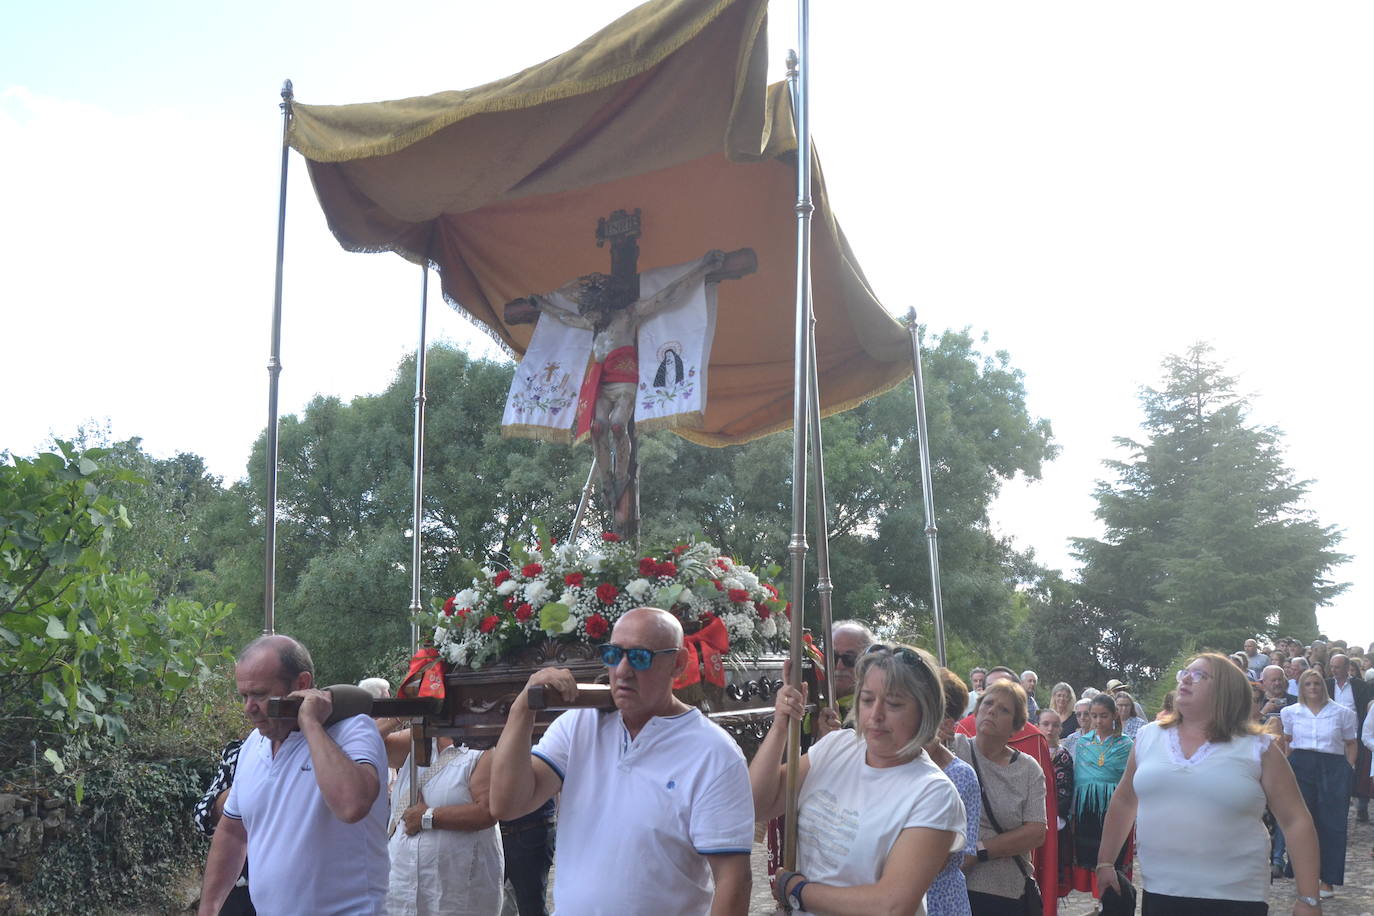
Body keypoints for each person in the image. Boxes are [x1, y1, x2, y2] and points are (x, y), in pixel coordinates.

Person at [488, 607, 752, 916]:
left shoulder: (713, 753)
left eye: (640, 657)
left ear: (678, 663)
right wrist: (523, 708)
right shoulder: (579, 725)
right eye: (614, 654)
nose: (623, 670)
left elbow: (734, 878)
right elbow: (506, 804)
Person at [1097, 653, 1322, 915]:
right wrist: (1105, 862)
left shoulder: (1257, 748)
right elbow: (1125, 800)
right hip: (1161, 891)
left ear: (1226, 691)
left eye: (1200, 676)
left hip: (1236, 896)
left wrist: (1309, 899)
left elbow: (1296, 820)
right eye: (1185, 673)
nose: (1185, 680)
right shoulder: (1149, 737)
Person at [751, 643, 965, 915]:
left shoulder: (934, 793)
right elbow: (758, 804)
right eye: (867, 700)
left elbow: (892, 905)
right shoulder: (837, 746)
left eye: (894, 704)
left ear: (925, 711)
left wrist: (798, 891)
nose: (876, 715)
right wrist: (781, 723)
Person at [198, 635, 389, 916]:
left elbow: (352, 805)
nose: (248, 708)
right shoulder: (253, 744)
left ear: (301, 685)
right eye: (244, 696)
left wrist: (310, 722)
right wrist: (208, 910)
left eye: (260, 695)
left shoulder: (353, 731)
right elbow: (232, 832)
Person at [384, 727, 502, 916]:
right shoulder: (416, 739)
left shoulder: (483, 748)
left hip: (456, 894)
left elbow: (487, 811)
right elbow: (370, 740)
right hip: (402, 890)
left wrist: (428, 817)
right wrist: (398, 713)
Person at [954, 680, 1047, 916]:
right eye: (988, 703)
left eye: (1004, 709)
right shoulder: (952, 749)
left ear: (1015, 727)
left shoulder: (1028, 769)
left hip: (1004, 893)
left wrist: (978, 851)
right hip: (952, 886)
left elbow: (1036, 832)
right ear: (976, 712)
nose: (992, 710)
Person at [1282, 668, 1358, 898]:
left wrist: (1348, 768)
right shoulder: (1290, 712)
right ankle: (1303, 876)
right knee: (1303, 822)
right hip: (1301, 765)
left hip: (1333, 766)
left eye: (1316, 684)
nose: (1313, 688)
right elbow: (1288, 741)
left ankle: (1328, 880)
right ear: (1301, 687)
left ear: (1323, 686)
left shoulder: (1342, 713)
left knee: (1332, 824)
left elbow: (1351, 743)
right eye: (1308, 684)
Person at [925, 670, 981, 916]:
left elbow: (961, 854)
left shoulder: (960, 776)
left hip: (940, 901)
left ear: (946, 724)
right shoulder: (890, 765)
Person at [1069, 695, 1132, 898]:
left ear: (1114, 715)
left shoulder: (1126, 744)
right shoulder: (1083, 743)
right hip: (1086, 807)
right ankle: (1098, 900)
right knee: (1091, 857)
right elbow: (1079, 776)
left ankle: (1110, 901)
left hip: (1113, 808)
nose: (1098, 721)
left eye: (1103, 716)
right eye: (1093, 716)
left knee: (1113, 858)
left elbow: (1128, 781)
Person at [193, 737, 255, 916]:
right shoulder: (241, 752)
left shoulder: (321, 751)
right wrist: (244, 788)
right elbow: (202, 818)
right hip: (238, 890)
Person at [1326, 653, 1372, 823]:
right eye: (1331, 667)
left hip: (1357, 733)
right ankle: (1338, 803)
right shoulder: (1327, 684)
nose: (1334, 670)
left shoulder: (1360, 686)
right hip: (1334, 734)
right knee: (1338, 770)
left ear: (1347, 668)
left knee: (1360, 769)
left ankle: (1362, 805)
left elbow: (1367, 708)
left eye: (1337, 667)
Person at [1036, 709, 1074, 897]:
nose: (1050, 729)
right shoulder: (1031, 752)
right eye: (1045, 724)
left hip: (1055, 820)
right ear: (1038, 726)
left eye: (1055, 725)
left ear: (1060, 728)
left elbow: (1065, 789)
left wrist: (1056, 816)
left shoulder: (1063, 755)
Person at [830, 619, 876, 717]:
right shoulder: (807, 702)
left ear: (868, 662)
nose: (839, 666)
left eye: (849, 658)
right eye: (833, 657)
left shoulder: (875, 713)